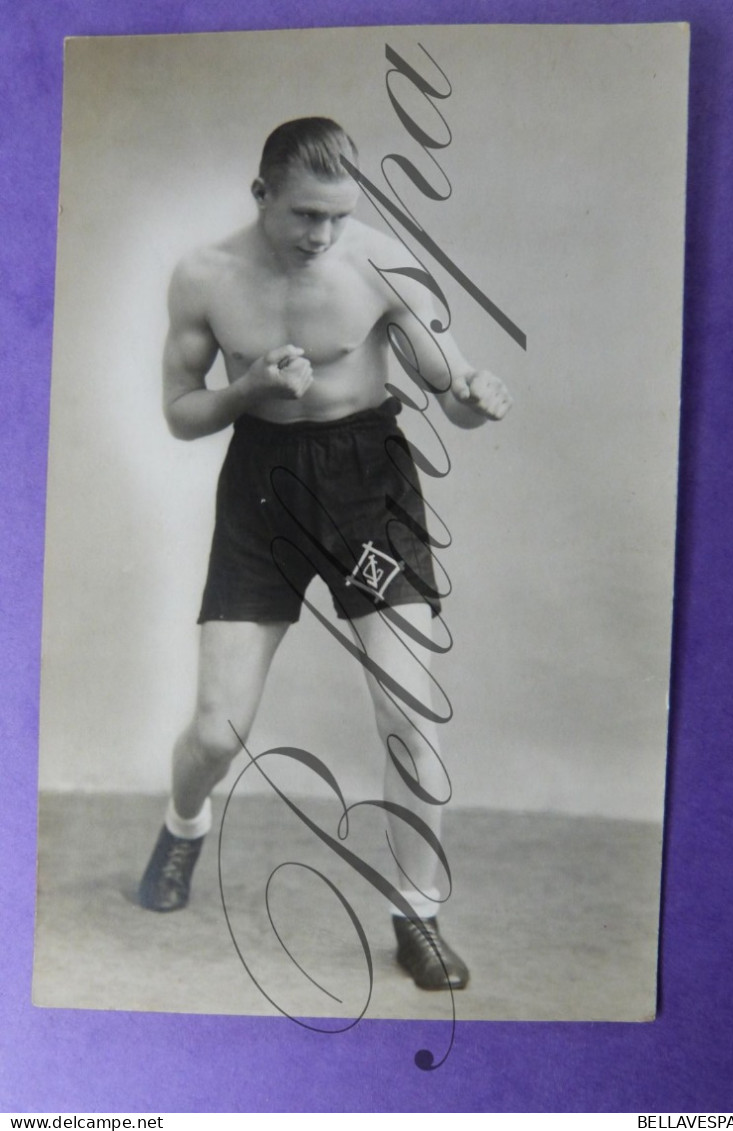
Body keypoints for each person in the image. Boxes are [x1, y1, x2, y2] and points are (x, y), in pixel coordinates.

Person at [138, 118, 512, 992]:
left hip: (365, 495)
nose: (323, 235)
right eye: (306, 214)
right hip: (263, 491)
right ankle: (182, 824)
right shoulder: (205, 276)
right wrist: (251, 386)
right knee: (217, 727)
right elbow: (180, 413)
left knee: (411, 710)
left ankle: (416, 914)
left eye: (339, 217)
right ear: (261, 194)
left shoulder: (381, 264)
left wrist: (478, 400)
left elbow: (451, 391)